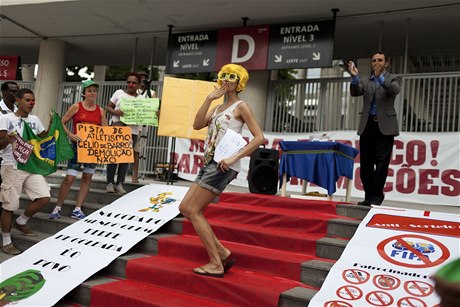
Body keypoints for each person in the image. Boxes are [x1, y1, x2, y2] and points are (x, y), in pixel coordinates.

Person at [178, 64, 264, 277]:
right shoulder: (217, 108)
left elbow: (259, 137)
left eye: (232, 77)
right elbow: (197, 124)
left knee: (193, 210)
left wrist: (234, 157)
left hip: (223, 165)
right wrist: (210, 98)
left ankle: (216, 263)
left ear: (239, 82)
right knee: (185, 208)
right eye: (223, 76)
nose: (226, 80)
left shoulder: (242, 106)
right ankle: (222, 253)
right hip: (209, 162)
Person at [0, 89, 51, 255]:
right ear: (18, 101)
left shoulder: (35, 120)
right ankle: (6, 241)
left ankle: (21, 222)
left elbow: (45, 138)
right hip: (12, 166)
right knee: (10, 206)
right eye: (28, 100)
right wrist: (6, 141)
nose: (31, 103)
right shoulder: (6, 119)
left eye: (33, 100)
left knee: (44, 197)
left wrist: (55, 124)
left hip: (31, 166)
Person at [348, 52, 402, 206]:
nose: (376, 63)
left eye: (380, 60)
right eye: (373, 61)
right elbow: (355, 92)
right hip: (368, 125)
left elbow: (394, 90)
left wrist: (379, 77)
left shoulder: (393, 78)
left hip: (385, 126)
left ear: (386, 64)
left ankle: (376, 197)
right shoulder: (365, 81)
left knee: (381, 163)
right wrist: (354, 77)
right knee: (366, 164)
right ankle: (368, 195)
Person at [49, 80, 107, 220]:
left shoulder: (100, 110)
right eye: (89, 90)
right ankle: (58, 207)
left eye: (94, 90)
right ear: (84, 93)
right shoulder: (76, 107)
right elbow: (61, 123)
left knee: (87, 178)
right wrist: (71, 135)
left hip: (92, 150)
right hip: (77, 148)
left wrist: (123, 140)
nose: (92, 93)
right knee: (69, 178)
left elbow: (107, 131)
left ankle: (77, 209)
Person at [105, 72, 142, 193]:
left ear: (138, 85)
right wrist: (116, 112)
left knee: (125, 157)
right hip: (117, 128)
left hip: (132, 131)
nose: (130, 84)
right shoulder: (119, 93)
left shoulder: (142, 99)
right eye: (129, 82)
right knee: (113, 156)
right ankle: (110, 182)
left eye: (134, 82)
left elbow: (147, 114)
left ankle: (120, 183)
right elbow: (108, 106)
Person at [1, 82, 19, 211]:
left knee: (6, 194)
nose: (15, 94)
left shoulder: (19, 111)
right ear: (3, 92)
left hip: (10, 159)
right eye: (12, 91)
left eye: (17, 91)